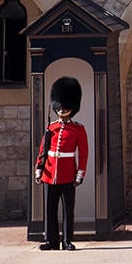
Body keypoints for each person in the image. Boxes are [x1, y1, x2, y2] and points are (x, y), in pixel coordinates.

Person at [34, 77, 88, 251]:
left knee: (67, 211)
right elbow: (43, 150)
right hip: (49, 174)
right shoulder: (51, 128)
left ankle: (67, 240)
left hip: (67, 174)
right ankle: (51, 240)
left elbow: (84, 153)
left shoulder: (78, 129)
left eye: (65, 106)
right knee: (50, 210)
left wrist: (80, 174)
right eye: (60, 106)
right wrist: (38, 169)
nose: (62, 109)